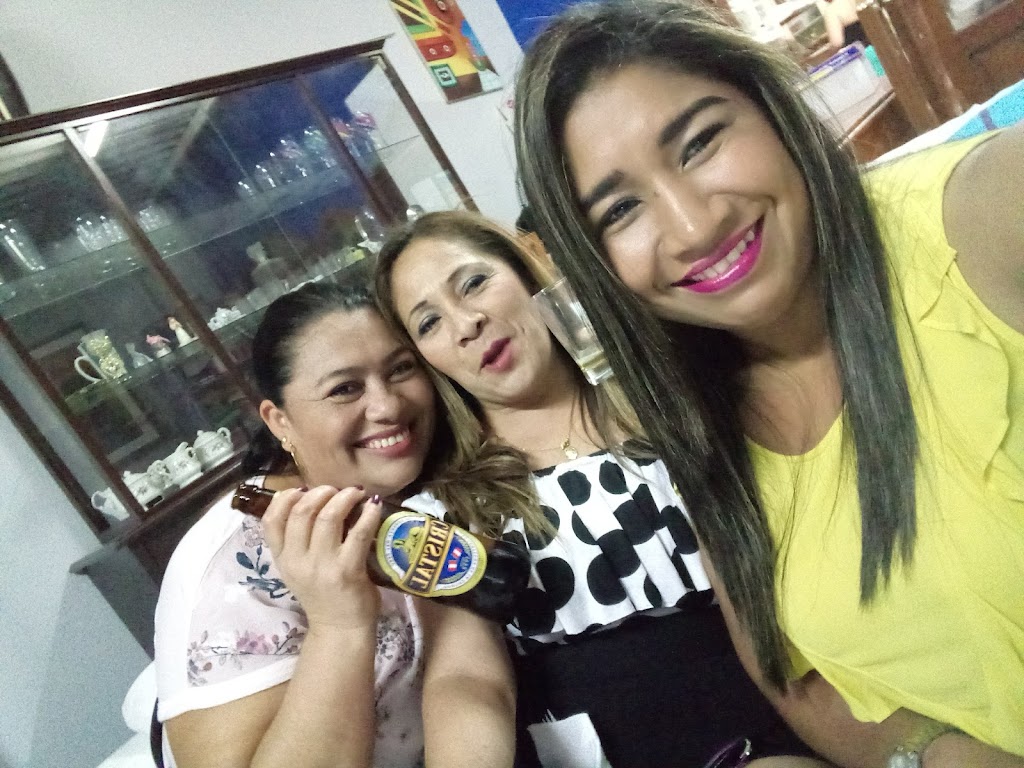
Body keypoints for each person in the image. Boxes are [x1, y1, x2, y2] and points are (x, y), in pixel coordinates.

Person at [512, 0, 1024, 765]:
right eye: (620, 210)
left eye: (699, 143)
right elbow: (788, 672)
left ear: (771, 106)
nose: (693, 226)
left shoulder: (988, 210)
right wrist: (928, 751)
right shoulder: (697, 422)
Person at [374, 210, 828, 768]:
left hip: (784, 717)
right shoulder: (449, 512)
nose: (466, 323)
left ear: (527, 273)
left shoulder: (679, 407)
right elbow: (467, 680)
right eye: (428, 323)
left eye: (473, 283)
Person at [153, 283, 515, 768]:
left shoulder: (430, 483)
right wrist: (339, 625)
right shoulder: (236, 563)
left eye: (401, 369)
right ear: (279, 421)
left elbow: (465, 673)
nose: (388, 406)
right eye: (345, 389)